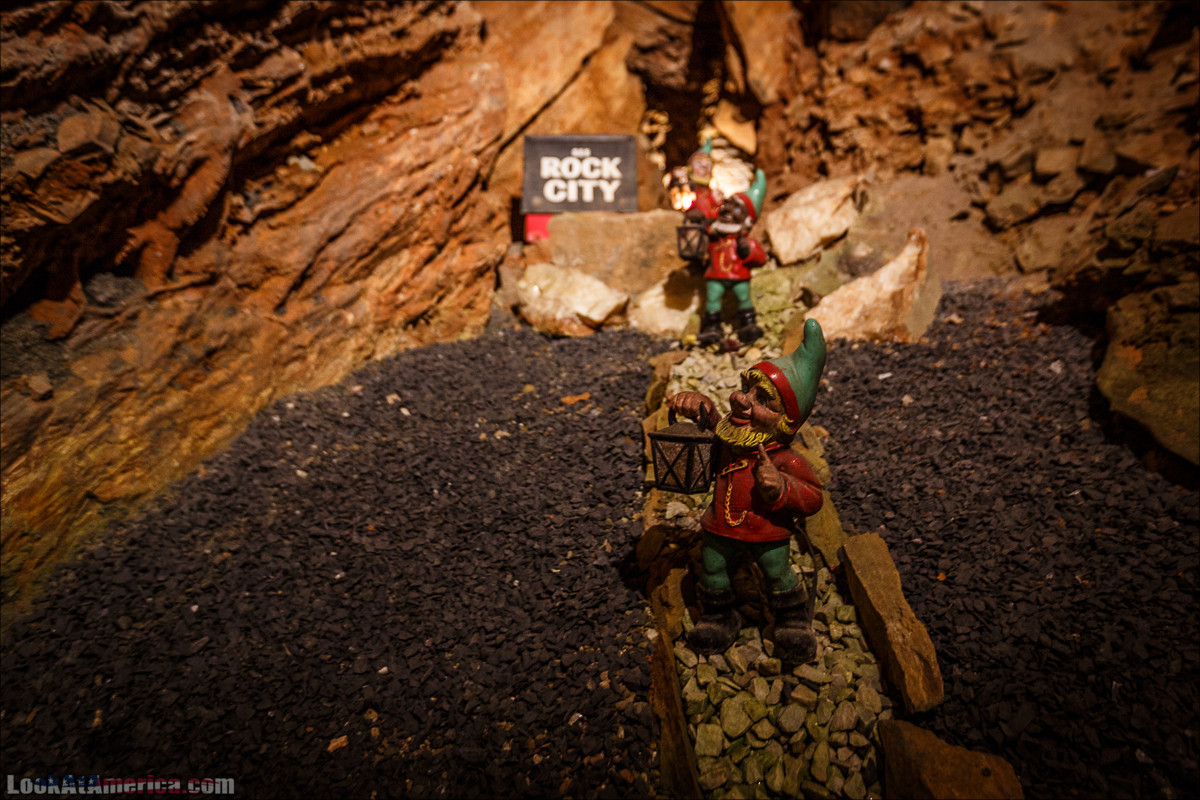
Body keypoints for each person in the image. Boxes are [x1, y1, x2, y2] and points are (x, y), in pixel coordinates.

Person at [667, 318, 827, 662]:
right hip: (720, 526)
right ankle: (718, 616)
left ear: (786, 422)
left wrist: (783, 487)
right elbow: (716, 430)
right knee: (713, 566)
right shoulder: (734, 440)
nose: (741, 399)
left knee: (777, 571)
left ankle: (792, 621)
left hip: (767, 532)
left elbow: (813, 497)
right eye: (745, 388)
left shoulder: (786, 459)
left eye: (762, 400)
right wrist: (701, 407)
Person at [697, 173, 767, 346]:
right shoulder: (714, 235)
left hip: (739, 277)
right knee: (712, 299)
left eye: (736, 209)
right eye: (726, 205)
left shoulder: (743, 240)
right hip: (715, 276)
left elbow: (761, 258)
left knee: (744, 298)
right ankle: (712, 326)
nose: (727, 210)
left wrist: (747, 250)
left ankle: (748, 324)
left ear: (747, 218)